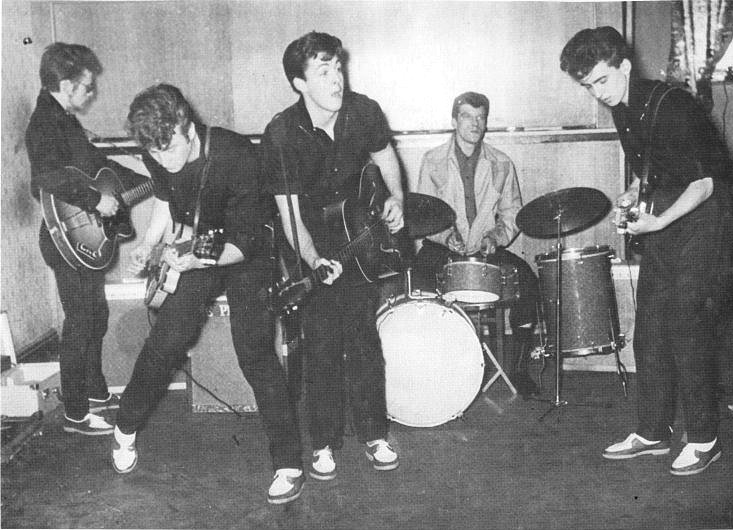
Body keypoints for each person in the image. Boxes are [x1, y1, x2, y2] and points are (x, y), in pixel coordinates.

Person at [560, 26, 733, 475]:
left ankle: (704, 439)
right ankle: (654, 432)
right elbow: (651, 167)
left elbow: (704, 182)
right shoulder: (623, 107)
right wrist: (632, 192)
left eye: (602, 81)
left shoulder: (673, 106)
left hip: (704, 221)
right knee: (651, 330)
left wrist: (657, 220)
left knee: (687, 327)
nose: (597, 94)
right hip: (666, 220)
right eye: (588, 86)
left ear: (623, 66)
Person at [109, 85, 301, 505]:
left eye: (169, 149)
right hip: (199, 245)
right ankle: (124, 428)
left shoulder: (237, 156)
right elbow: (164, 196)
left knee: (254, 351)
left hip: (246, 250)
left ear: (188, 127)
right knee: (166, 341)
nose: (162, 160)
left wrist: (199, 262)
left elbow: (247, 239)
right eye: (153, 155)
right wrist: (149, 243)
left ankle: (288, 461)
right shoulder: (157, 150)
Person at [258, 31, 404, 497]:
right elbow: (289, 215)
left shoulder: (364, 110)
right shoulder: (281, 134)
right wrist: (315, 260)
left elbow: (386, 157)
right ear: (299, 83)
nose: (337, 78)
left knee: (363, 335)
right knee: (321, 343)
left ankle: (374, 434)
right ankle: (321, 443)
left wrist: (397, 198)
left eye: (338, 67)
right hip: (308, 236)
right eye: (324, 71)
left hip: (358, 227)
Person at [26, 43, 148, 435]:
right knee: (81, 321)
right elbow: (46, 179)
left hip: (81, 239)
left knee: (95, 316)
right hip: (66, 239)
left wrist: (148, 180)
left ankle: (94, 393)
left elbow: (96, 166)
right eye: (87, 86)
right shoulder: (45, 122)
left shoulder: (63, 119)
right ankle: (76, 413)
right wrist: (98, 200)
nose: (91, 93)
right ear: (64, 84)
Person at [413, 91, 540, 397]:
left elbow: (512, 214)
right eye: (468, 116)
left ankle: (519, 369)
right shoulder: (432, 161)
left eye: (481, 117)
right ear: (454, 120)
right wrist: (445, 237)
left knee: (528, 284)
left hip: (486, 249)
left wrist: (495, 238)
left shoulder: (501, 163)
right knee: (417, 284)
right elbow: (423, 215)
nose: (475, 123)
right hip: (442, 247)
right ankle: (433, 370)